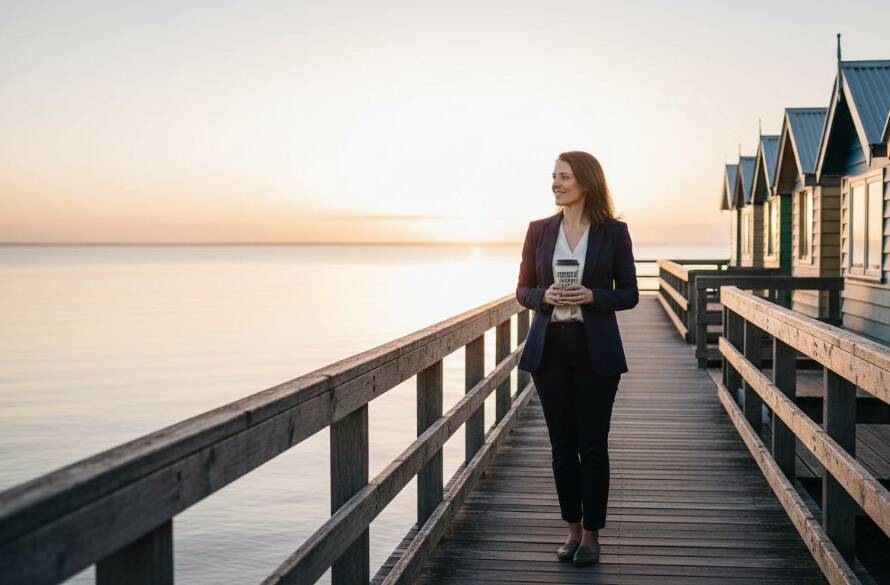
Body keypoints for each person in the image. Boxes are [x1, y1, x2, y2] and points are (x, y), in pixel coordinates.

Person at [515, 151, 638, 567]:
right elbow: (522, 290)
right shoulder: (538, 230)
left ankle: (592, 535)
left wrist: (594, 296)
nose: (556, 183)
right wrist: (542, 297)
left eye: (564, 176)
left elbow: (630, 293)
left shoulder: (614, 232)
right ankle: (570, 530)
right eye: (553, 176)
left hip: (595, 351)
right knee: (562, 448)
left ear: (585, 182)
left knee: (593, 446)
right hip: (550, 352)